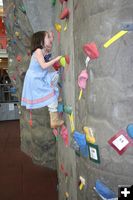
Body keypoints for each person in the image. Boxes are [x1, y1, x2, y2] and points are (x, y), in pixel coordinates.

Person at [21, 31, 64, 128]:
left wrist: (50, 37)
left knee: (54, 76)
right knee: (50, 95)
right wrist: (56, 59)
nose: (50, 39)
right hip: (35, 79)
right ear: (41, 42)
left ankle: (54, 96)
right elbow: (44, 66)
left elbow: (50, 44)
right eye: (48, 37)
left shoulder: (44, 51)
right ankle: (54, 120)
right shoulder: (38, 51)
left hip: (40, 76)